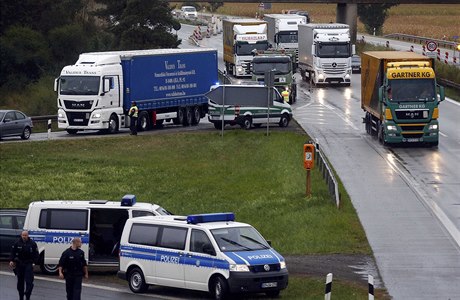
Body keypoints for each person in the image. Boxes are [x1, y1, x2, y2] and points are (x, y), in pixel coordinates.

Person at [9, 230, 39, 300]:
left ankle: (27, 295)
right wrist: (11, 260)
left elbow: (36, 254)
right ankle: (21, 297)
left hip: (28, 264)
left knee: (29, 283)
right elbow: (12, 252)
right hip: (19, 264)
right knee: (20, 282)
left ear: (28, 235)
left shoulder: (32, 243)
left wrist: (34, 262)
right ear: (21, 235)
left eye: (26, 235)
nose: (24, 237)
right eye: (23, 235)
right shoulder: (17, 243)